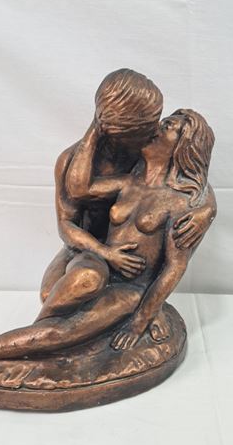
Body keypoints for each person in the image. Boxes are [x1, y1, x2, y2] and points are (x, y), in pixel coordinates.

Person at [0, 107, 215, 363]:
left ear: (183, 148)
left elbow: (174, 267)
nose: (156, 129)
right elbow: (79, 188)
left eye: (168, 127)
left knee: (59, 332)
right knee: (58, 300)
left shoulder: (183, 203)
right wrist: (97, 126)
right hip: (101, 262)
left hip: (130, 289)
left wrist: (140, 320)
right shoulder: (130, 180)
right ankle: (26, 343)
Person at [37, 69, 216, 332]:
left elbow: (186, 173)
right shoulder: (69, 162)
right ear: (122, 125)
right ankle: (56, 337)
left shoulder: (143, 151)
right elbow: (70, 213)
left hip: (129, 273)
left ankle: (110, 319)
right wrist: (105, 253)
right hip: (83, 249)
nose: (155, 128)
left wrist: (208, 209)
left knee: (84, 300)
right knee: (53, 296)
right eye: (148, 122)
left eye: (157, 121)